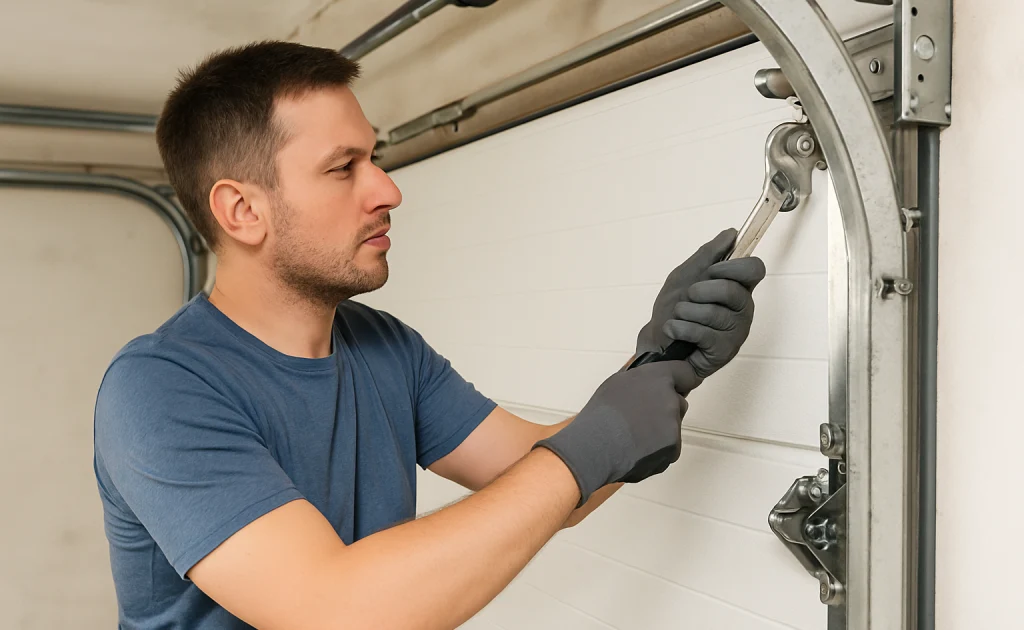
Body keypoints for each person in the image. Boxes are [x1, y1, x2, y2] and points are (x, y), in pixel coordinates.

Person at [93, 41, 766, 629]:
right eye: (343, 167)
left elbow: (548, 483)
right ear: (242, 209)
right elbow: (332, 610)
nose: (387, 189)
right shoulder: (160, 388)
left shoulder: (384, 347)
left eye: (375, 159)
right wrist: (590, 447)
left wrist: (664, 359)